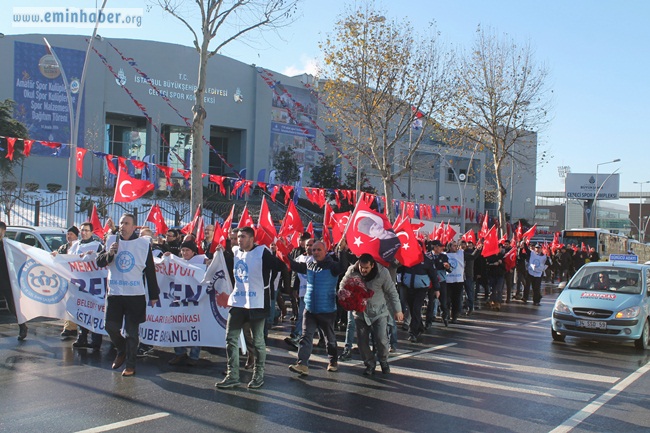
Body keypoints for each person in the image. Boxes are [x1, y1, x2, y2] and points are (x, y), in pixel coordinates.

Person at [96, 213, 160, 377]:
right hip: (115, 294)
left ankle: (130, 365)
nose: (123, 226)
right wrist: (110, 253)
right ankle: (122, 348)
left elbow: (150, 271)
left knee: (132, 332)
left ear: (134, 227)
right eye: (121, 223)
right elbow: (99, 261)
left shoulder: (142, 245)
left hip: (135, 295)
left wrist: (154, 294)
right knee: (109, 327)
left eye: (127, 223)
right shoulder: (111, 240)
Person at [216, 227, 278, 389]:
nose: (239, 240)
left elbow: (279, 267)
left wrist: (275, 254)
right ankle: (233, 375)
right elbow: (224, 265)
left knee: (258, 341)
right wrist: (218, 255)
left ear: (252, 238)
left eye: (243, 237)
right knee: (231, 338)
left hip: (257, 303)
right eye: (237, 237)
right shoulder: (236, 252)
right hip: (238, 302)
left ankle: (258, 375)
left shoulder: (262, 252)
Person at [287, 240, 349, 376]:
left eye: (318, 250)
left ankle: (333, 361)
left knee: (329, 338)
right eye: (313, 250)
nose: (315, 252)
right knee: (305, 337)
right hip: (309, 309)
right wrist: (284, 253)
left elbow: (343, 267)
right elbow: (294, 265)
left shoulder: (332, 266)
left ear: (325, 251)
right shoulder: (308, 265)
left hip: (327, 310)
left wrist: (342, 251)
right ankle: (302, 364)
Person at [340, 254, 403, 375]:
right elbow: (342, 285)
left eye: (366, 268)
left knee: (381, 340)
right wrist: (347, 296)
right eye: (361, 267)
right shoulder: (352, 270)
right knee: (362, 342)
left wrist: (398, 310)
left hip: (379, 312)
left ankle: (383, 360)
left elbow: (392, 292)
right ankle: (369, 363)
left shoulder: (382, 272)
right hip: (360, 313)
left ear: (372, 265)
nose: (363, 270)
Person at [167, 240, 207, 367]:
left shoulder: (201, 261)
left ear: (193, 252)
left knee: (195, 327)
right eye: (182, 250)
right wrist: (166, 257)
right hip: (180, 300)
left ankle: (194, 356)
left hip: (195, 301)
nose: (184, 253)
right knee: (177, 326)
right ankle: (180, 352)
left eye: (187, 250)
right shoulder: (178, 262)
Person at [67, 222, 104, 350]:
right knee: (81, 310)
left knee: (94, 312)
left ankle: (96, 340)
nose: (84, 232)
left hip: (94, 284)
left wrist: (93, 256)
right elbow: (67, 258)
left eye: (86, 230)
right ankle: (82, 337)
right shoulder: (75, 245)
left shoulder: (97, 245)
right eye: (82, 230)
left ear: (92, 232)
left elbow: (103, 261)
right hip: (79, 284)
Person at [398, 248, 437, 342]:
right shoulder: (407, 258)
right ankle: (420, 327)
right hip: (408, 288)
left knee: (416, 308)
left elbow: (433, 275)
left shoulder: (427, 260)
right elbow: (400, 270)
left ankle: (413, 332)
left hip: (421, 289)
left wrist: (437, 289)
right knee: (412, 310)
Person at [0, 221, 28, 340]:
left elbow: (23, 255)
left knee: (12, 306)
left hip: (6, 279)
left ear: (4, 231)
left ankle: (22, 326)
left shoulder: (8, 245)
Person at [58, 226, 80, 339]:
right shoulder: (63, 248)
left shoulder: (80, 247)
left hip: (77, 280)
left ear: (76, 236)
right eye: (68, 234)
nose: (69, 236)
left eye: (71, 234)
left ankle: (78, 327)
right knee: (67, 303)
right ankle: (69, 327)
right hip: (66, 279)